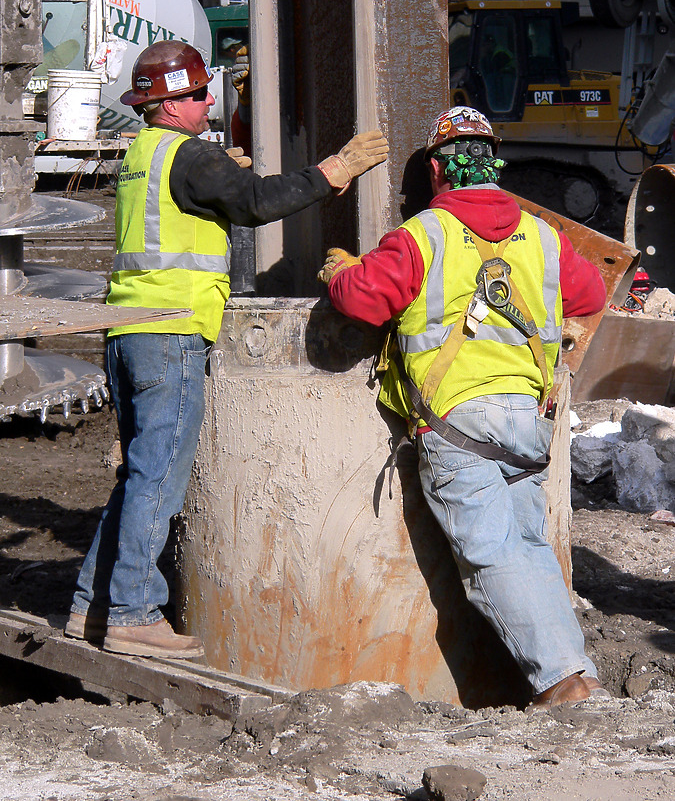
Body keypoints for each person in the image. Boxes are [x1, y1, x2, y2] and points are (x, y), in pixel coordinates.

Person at [65, 40, 388, 659]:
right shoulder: (187, 155)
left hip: (129, 331)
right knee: (158, 476)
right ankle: (132, 611)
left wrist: (223, 174)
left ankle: (91, 604)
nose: (209, 101)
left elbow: (211, 200)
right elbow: (258, 203)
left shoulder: (143, 154)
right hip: (172, 332)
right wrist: (333, 171)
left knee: (137, 474)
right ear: (167, 104)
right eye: (196, 95)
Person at [318, 106, 608, 709]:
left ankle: (559, 685)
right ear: (493, 165)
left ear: (436, 172)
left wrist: (343, 272)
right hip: (529, 424)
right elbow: (591, 293)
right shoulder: (542, 235)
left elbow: (365, 303)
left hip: (458, 424)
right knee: (528, 548)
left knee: (493, 557)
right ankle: (576, 674)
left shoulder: (422, 235)